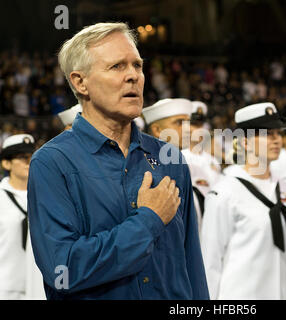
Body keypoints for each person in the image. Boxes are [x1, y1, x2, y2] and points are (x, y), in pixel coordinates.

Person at [27, 22, 209, 300]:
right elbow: (62, 270)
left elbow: (191, 265)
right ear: (80, 82)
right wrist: (148, 220)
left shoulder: (169, 158)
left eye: (137, 65)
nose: (133, 76)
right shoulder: (52, 163)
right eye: (117, 67)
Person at [201, 102, 286, 299]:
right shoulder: (225, 191)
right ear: (245, 143)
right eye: (267, 135)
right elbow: (210, 261)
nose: (276, 140)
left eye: (278, 134)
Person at [0, 134, 45, 300]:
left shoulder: (45, 195)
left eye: (32, 156)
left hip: (39, 288)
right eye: (22, 157)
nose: (29, 161)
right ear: (6, 163)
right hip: (6, 288)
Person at [181, 101, 221, 232]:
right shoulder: (179, 157)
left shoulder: (213, 161)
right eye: (193, 124)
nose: (198, 129)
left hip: (213, 223)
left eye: (201, 124)